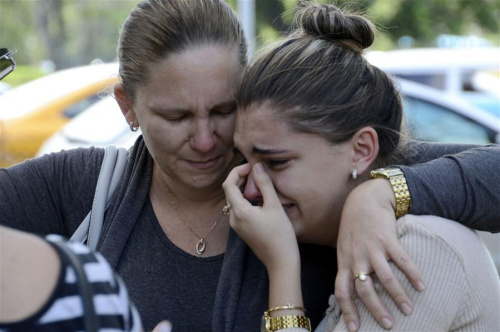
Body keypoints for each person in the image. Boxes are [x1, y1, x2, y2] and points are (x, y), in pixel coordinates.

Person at [1, 0, 499, 331]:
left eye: (223, 110)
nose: (204, 140)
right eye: (176, 116)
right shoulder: (84, 186)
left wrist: (382, 191)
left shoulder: (309, 172)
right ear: (128, 106)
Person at [223, 2, 500, 331]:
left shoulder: (412, 250)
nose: (252, 190)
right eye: (244, 160)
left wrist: (282, 266)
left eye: (277, 162)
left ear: (362, 150)